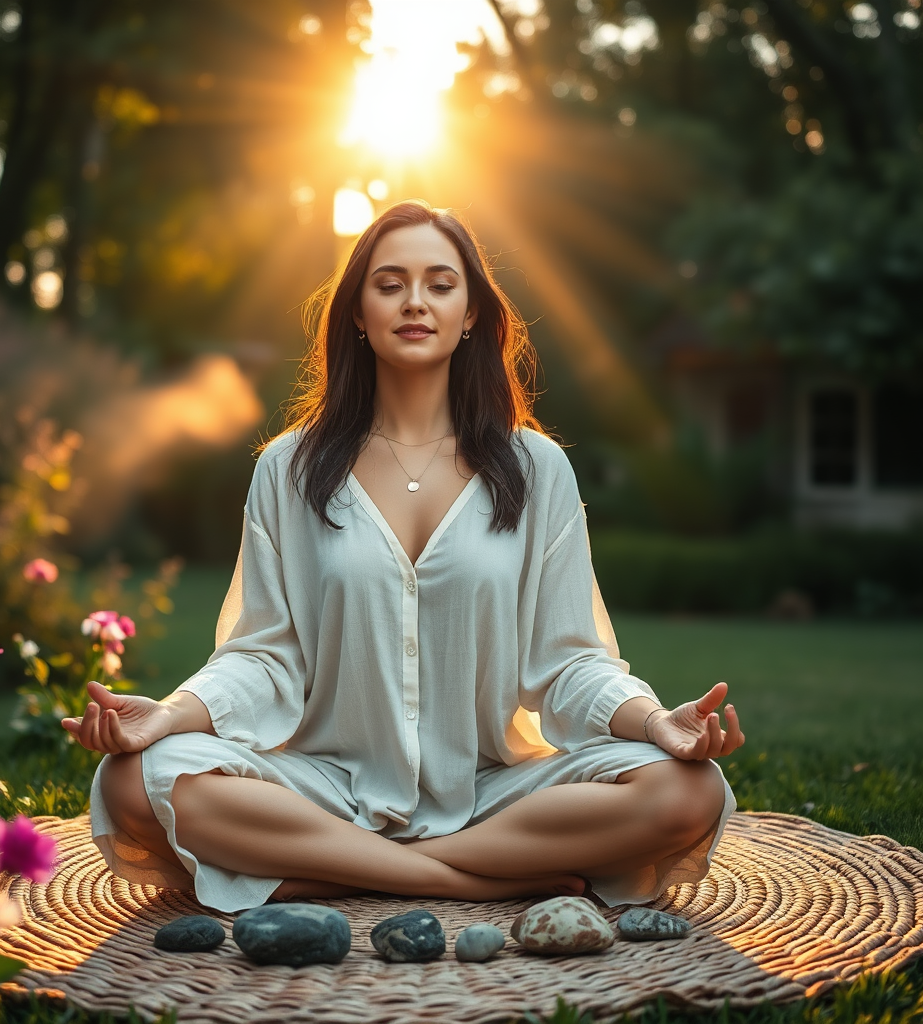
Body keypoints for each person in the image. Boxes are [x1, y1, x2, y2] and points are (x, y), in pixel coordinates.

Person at [63, 199, 743, 913]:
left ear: (472, 310)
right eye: (389, 284)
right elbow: (263, 657)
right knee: (130, 782)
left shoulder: (537, 468)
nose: (415, 302)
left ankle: (334, 873)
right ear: (357, 311)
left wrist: (654, 721)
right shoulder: (287, 468)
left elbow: (569, 660)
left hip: (493, 793)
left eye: (440, 284)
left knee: (688, 792)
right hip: (323, 788)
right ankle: (456, 877)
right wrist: (169, 717)